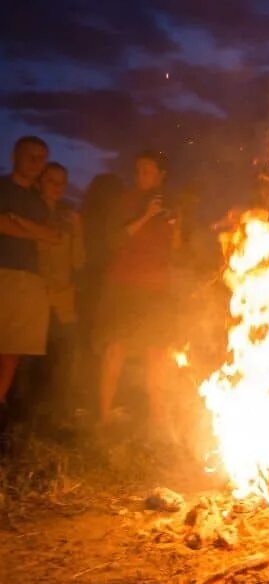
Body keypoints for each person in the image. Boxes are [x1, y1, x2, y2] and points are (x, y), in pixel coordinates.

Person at [96, 150, 182, 431]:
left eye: (146, 171)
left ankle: (157, 419)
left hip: (157, 289)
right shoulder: (126, 201)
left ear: (161, 176)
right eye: (138, 170)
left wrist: (175, 225)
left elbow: (175, 250)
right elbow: (113, 241)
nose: (140, 176)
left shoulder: (168, 206)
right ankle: (104, 416)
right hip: (125, 285)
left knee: (156, 352)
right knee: (116, 348)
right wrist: (146, 215)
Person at [0, 136, 59, 443]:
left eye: (41, 158)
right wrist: (25, 228)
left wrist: (20, 221)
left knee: (13, 350)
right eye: (31, 157)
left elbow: (52, 236)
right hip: (3, 272)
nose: (36, 164)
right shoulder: (3, 188)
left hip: (28, 278)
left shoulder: (37, 202)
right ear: (16, 155)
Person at [35, 162, 85, 419]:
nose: (57, 187)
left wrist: (77, 229)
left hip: (63, 300)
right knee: (28, 358)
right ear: (40, 181)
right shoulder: (30, 213)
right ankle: (25, 414)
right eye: (51, 181)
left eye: (62, 183)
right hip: (33, 297)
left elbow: (78, 261)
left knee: (63, 357)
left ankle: (58, 414)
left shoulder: (68, 218)